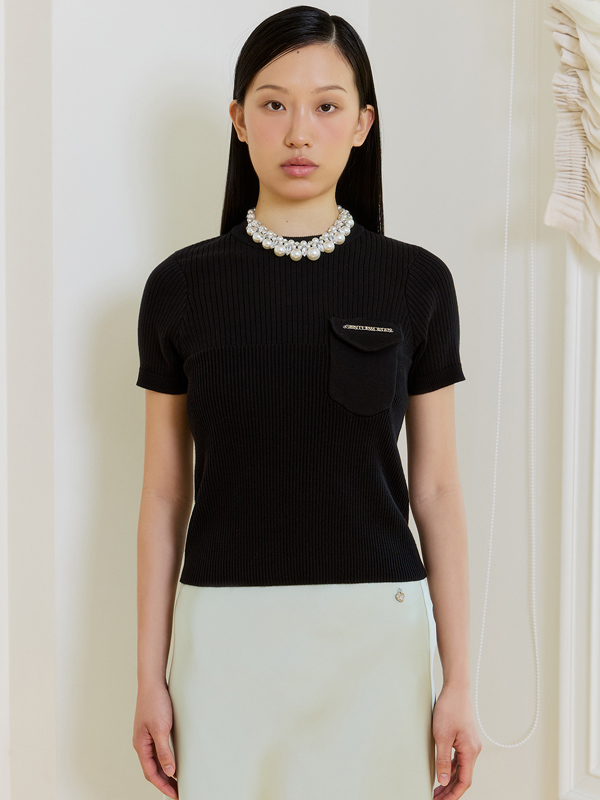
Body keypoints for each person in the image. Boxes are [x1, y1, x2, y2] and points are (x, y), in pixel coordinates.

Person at [131, 5, 482, 799]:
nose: (298, 132)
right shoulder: (180, 288)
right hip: (223, 635)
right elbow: (163, 495)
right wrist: (150, 676)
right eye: (273, 104)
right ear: (238, 119)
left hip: (376, 634)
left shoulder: (417, 283)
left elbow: (436, 490)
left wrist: (459, 680)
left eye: (326, 106)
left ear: (362, 124)